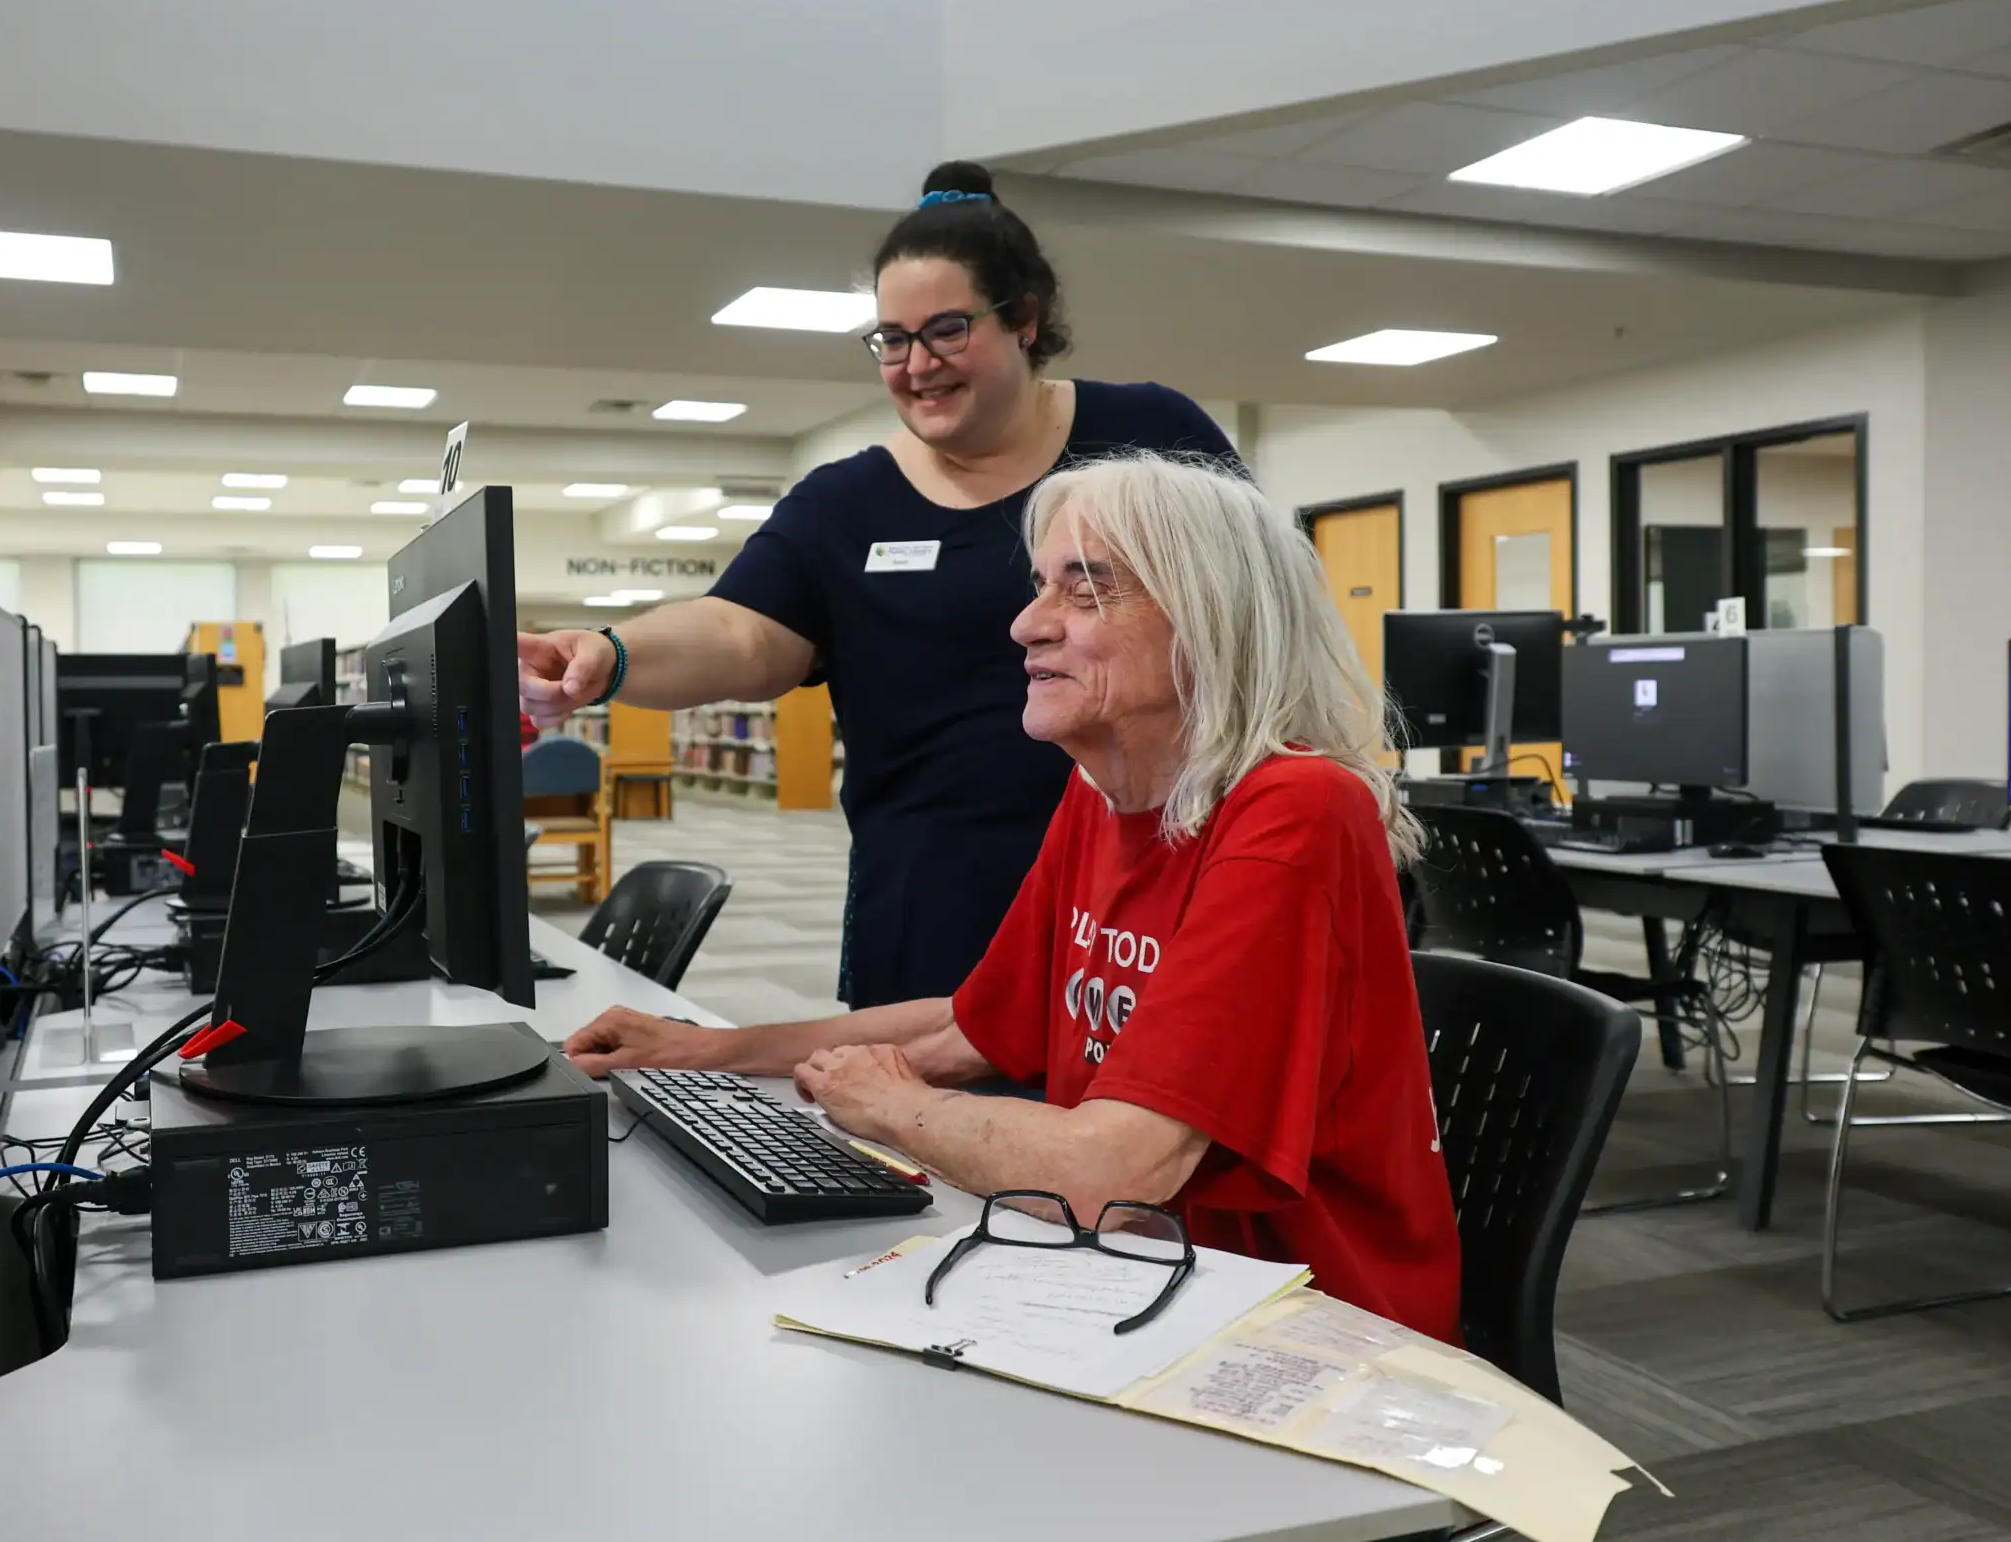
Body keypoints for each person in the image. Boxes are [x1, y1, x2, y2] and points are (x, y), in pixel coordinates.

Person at [565, 454, 1460, 1341]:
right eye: (1041, 586)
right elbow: (966, 1030)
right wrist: (711, 1047)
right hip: (1140, 1279)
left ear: (1209, 618)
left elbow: (1113, 1170)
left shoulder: (1294, 806)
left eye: (1087, 589)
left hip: (1310, 1324)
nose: (1027, 624)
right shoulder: (1101, 792)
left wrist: (893, 1108)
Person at [517, 162, 1237, 1008]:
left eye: (947, 330)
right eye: (891, 339)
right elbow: (742, 632)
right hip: (930, 916)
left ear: (1025, 320)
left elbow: (1262, 621)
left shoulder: (1151, 438)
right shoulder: (845, 501)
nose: (916, 364)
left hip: (1148, 897)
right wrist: (608, 653)